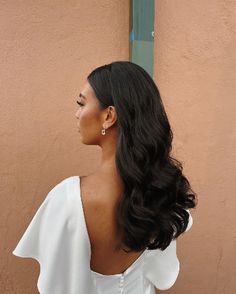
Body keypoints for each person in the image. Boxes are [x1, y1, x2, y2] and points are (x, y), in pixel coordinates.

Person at [13, 61, 197, 294]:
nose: (77, 113)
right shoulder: (160, 192)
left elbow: (55, 287)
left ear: (109, 116)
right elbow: (162, 276)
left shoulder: (70, 198)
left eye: (81, 103)